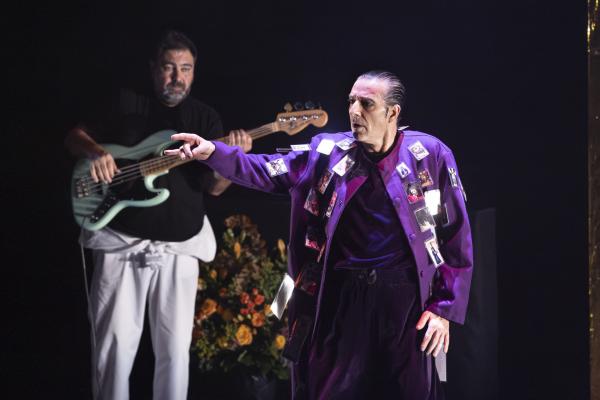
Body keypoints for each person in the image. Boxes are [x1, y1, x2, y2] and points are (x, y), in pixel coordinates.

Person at [167, 71, 473, 399]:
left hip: (405, 301)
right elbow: (267, 169)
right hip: (342, 299)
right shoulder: (328, 152)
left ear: (392, 112)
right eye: (351, 102)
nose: (354, 111)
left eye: (366, 104)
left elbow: (456, 236)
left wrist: (443, 309)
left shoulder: (430, 154)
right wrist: (212, 152)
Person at [64, 30, 252, 400]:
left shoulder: (204, 118)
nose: (177, 77)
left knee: (175, 353)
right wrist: (95, 153)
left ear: (194, 72)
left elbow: (214, 188)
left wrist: (235, 161)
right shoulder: (124, 102)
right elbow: (74, 137)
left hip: (181, 247)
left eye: (186, 69)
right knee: (113, 349)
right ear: (154, 69)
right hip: (120, 241)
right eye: (169, 67)